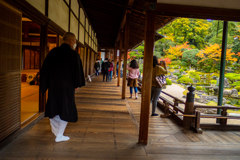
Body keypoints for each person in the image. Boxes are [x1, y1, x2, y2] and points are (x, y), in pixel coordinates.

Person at [40, 32, 85, 142]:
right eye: (74, 41)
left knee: (53, 108)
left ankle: (56, 132)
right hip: (67, 88)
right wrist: (76, 84)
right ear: (70, 41)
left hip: (54, 86)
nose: (75, 43)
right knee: (66, 110)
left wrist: (44, 85)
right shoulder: (74, 55)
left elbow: (44, 70)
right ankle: (59, 134)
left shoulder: (53, 52)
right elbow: (78, 72)